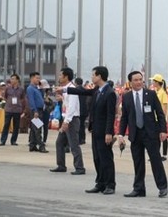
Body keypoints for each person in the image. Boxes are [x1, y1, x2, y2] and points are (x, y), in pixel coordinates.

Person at [117, 71, 168, 198]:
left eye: (141, 79)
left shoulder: (150, 94)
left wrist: (163, 130)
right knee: (138, 162)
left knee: (155, 161)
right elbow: (125, 117)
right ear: (130, 82)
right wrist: (120, 134)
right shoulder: (127, 96)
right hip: (135, 134)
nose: (139, 82)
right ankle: (139, 188)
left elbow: (160, 113)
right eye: (136, 80)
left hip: (150, 133)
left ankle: (162, 187)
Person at [66, 66, 117, 195]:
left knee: (106, 158)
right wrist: (66, 89)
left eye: (93, 75)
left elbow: (111, 115)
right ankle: (100, 183)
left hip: (104, 131)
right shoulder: (97, 90)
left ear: (100, 76)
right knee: (97, 158)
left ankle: (110, 184)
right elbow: (83, 92)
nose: (92, 77)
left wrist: (109, 132)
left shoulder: (110, 93)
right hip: (95, 130)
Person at [50, 67, 85, 175]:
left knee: (73, 144)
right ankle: (61, 165)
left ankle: (79, 167)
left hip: (71, 120)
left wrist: (66, 121)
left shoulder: (72, 89)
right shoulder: (65, 89)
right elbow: (67, 104)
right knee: (59, 142)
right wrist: (62, 99)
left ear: (66, 77)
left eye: (61, 75)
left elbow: (72, 107)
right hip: (67, 118)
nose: (59, 77)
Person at [0, 73, 25, 146]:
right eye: (11, 79)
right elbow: (5, 97)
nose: (12, 80)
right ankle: (3, 140)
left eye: (13, 79)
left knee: (16, 126)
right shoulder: (8, 88)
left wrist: (20, 105)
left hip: (17, 110)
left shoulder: (21, 89)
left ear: (17, 80)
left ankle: (13, 140)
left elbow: (23, 98)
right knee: (6, 125)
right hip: (9, 109)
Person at [26, 72, 48, 153]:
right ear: (32, 78)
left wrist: (41, 88)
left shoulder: (37, 88)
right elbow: (31, 101)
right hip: (36, 110)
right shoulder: (30, 88)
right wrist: (34, 111)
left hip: (40, 110)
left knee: (33, 128)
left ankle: (32, 145)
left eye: (39, 78)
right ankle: (41, 146)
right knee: (37, 128)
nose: (38, 80)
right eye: (37, 78)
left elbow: (42, 97)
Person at [150, 74, 168, 161]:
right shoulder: (156, 92)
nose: (152, 83)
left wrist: (163, 119)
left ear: (158, 82)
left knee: (163, 137)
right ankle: (156, 154)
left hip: (160, 119)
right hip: (154, 118)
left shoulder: (163, 93)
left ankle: (164, 154)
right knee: (155, 138)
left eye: (154, 81)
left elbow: (165, 107)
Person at [74, 77, 89, 145]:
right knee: (82, 125)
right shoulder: (85, 90)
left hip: (78, 110)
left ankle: (79, 139)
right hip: (84, 110)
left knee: (78, 125)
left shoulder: (75, 90)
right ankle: (83, 139)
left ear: (76, 83)